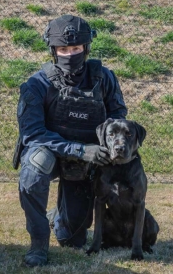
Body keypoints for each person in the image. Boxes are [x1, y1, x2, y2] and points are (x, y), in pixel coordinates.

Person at [15, 14, 127, 267]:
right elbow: (32, 134)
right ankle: (38, 242)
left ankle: (60, 218)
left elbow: (118, 117)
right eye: (63, 49)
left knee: (72, 239)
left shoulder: (105, 78)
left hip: (88, 157)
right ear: (53, 50)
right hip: (51, 153)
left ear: (86, 48)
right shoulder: (37, 84)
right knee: (35, 166)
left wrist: (103, 148)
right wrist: (78, 149)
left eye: (75, 48)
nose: (70, 54)